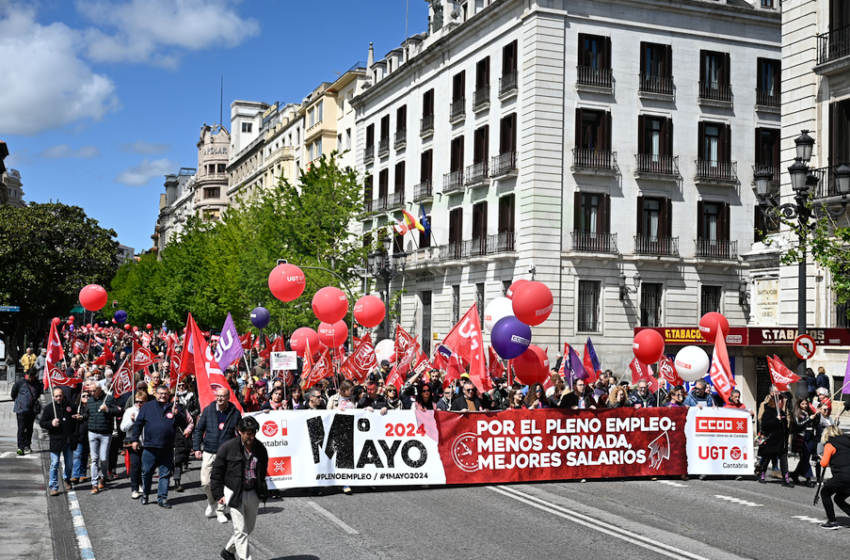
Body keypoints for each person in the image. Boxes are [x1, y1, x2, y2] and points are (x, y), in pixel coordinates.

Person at [211, 416, 268, 560]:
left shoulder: (260, 448)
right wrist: (218, 495)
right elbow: (216, 473)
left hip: (253, 492)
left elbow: (262, 471)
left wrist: (263, 489)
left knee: (248, 528)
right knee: (241, 531)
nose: (252, 436)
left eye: (254, 432)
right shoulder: (227, 448)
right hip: (235, 494)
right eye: (248, 433)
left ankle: (228, 551)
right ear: (239, 432)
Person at [130, 384, 183, 507]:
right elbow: (138, 424)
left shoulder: (174, 407)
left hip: (167, 447)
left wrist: (177, 415)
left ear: (169, 395)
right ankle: (145, 494)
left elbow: (182, 424)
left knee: (164, 474)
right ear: (156, 394)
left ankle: (162, 498)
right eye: (160, 393)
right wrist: (135, 439)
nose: (162, 396)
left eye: (165, 393)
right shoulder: (147, 407)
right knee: (147, 472)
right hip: (150, 447)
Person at [194, 387, 242, 523]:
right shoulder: (208, 410)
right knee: (206, 481)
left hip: (226, 453)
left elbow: (241, 432)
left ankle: (221, 510)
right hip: (209, 450)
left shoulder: (235, 413)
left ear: (228, 397)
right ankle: (212, 502)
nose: (220, 398)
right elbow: (199, 430)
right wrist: (197, 448)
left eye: (223, 396)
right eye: (218, 396)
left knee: (223, 483)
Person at [83, 378, 121, 494]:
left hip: (105, 433)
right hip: (92, 432)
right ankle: (94, 484)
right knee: (94, 458)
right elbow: (88, 413)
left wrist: (108, 410)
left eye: (94, 391)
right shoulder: (90, 401)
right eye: (90, 391)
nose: (92, 393)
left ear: (99, 389)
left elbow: (119, 411)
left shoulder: (108, 399)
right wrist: (81, 417)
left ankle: (103, 476)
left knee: (104, 458)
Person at [39, 387, 77, 496]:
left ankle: (66, 479)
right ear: (53, 397)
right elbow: (42, 423)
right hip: (56, 440)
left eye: (60, 395)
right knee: (54, 464)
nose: (59, 398)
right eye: (56, 396)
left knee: (69, 464)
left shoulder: (71, 406)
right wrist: (51, 423)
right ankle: (54, 486)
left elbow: (75, 421)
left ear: (63, 395)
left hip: (68, 440)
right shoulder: (49, 408)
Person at [756, 391, 793, 487]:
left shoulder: (783, 412)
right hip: (771, 440)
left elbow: (785, 426)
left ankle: (786, 479)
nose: (783, 403)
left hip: (782, 441)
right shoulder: (768, 411)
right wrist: (776, 419)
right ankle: (762, 474)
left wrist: (789, 430)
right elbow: (765, 425)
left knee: (784, 460)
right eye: (781, 401)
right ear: (776, 402)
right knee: (767, 458)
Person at [817, 425, 850, 529]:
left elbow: (823, 463)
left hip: (842, 476)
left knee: (825, 493)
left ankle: (832, 521)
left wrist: (822, 458)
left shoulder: (830, 444)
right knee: (839, 498)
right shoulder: (848, 441)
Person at [120, 390, 148, 499]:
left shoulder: (148, 411)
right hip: (133, 442)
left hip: (146, 442)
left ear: (145, 402)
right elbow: (123, 428)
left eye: (141, 402)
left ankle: (141, 484)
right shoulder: (129, 411)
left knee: (144, 465)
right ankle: (134, 488)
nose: (138, 404)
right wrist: (131, 420)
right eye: (136, 402)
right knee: (135, 464)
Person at [12, 370, 42, 455]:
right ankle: (20, 447)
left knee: (29, 429)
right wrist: (20, 402)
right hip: (21, 410)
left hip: (32, 410)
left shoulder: (37, 384)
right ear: (26, 375)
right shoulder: (20, 382)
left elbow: (38, 393)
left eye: (32, 377)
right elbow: (13, 394)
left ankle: (27, 445)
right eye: (29, 376)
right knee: (21, 429)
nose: (30, 378)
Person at [70, 390, 90, 483]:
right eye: (84, 396)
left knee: (85, 456)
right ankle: (75, 475)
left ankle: (83, 474)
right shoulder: (77, 408)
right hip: (79, 436)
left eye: (88, 395)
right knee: (77, 456)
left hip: (89, 436)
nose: (86, 397)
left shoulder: (92, 408)